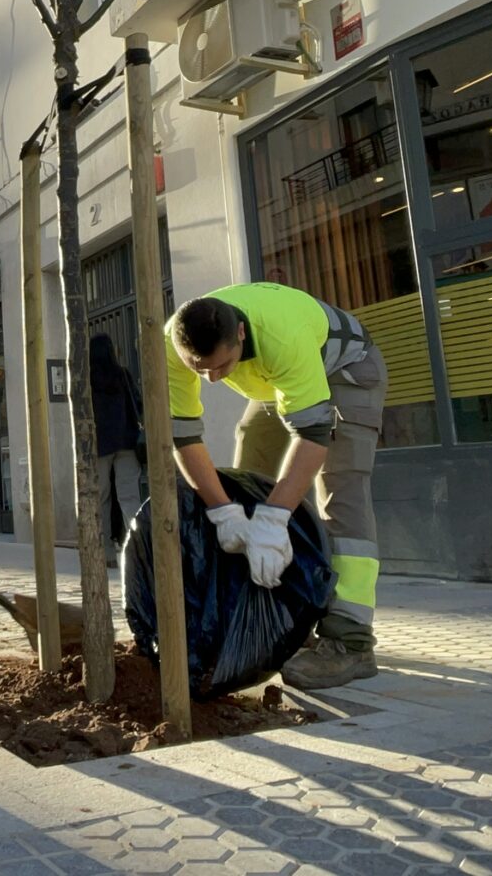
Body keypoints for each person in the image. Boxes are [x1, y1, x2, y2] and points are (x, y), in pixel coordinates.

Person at [163, 282, 387, 690]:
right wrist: (224, 511)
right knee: (249, 481)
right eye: (200, 370)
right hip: (274, 384)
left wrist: (275, 515)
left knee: (340, 490)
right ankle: (285, 619)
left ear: (241, 336)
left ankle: (351, 640)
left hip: (345, 370)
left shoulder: (281, 333)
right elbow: (183, 437)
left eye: (221, 366)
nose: (212, 380)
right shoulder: (172, 342)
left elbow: (314, 434)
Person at [89, 333, 144, 567]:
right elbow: (138, 404)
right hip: (126, 442)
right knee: (129, 497)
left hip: (100, 445)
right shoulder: (122, 374)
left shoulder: (88, 378)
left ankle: (106, 554)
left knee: (101, 498)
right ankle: (138, 551)